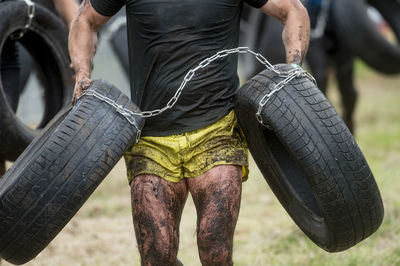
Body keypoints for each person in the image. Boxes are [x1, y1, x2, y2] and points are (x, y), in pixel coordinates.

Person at [69, 0, 310, 264]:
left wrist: (293, 69)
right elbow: (85, 20)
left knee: (215, 251)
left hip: (218, 131)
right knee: (156, 257)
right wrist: (82, 74)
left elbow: (292, 10)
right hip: (152, 139)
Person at [305, 0, 358, 132]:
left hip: (343, 32)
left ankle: (349, 119)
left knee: (347, 88)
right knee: (319, 78)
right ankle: (324, 129)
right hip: (314, 31)